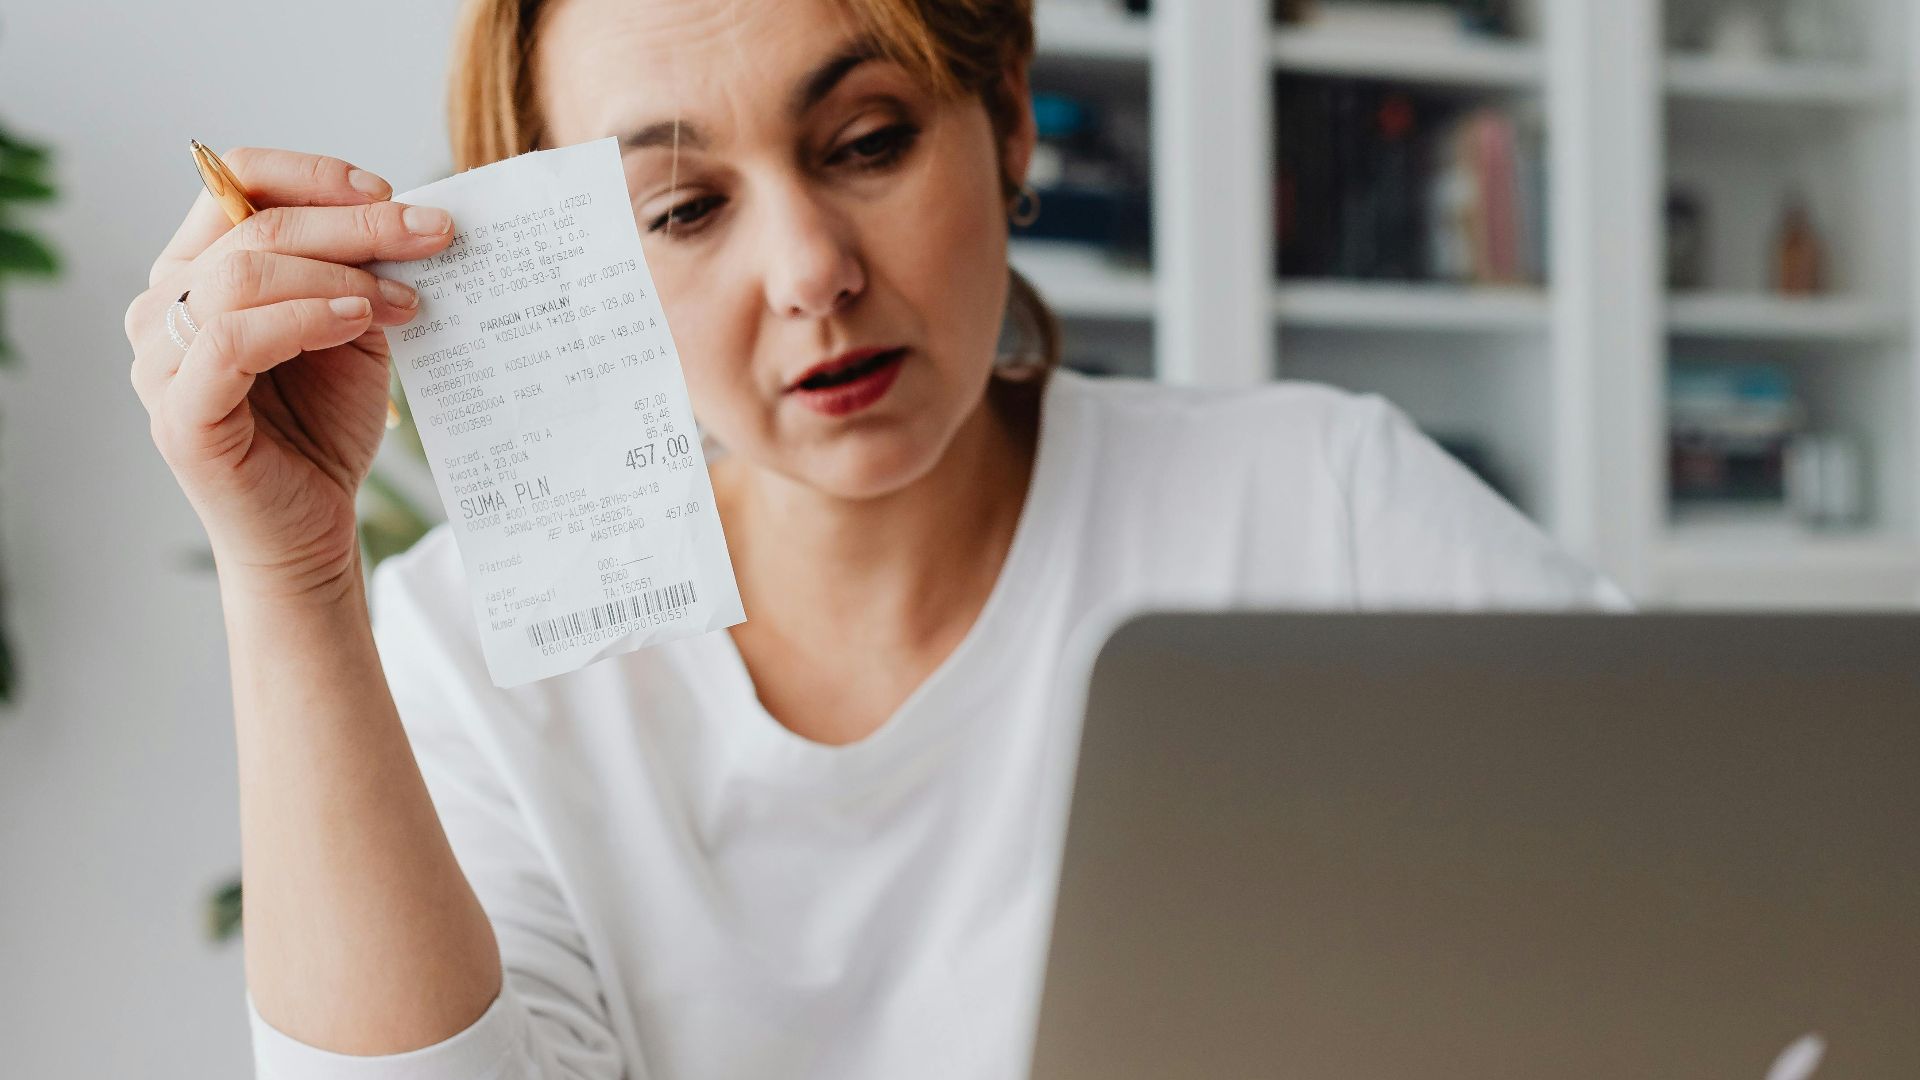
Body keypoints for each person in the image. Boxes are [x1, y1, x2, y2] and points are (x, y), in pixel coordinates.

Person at [122, 0, 1624, 1076]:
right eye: (686, 208)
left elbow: (1717, 906)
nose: (811, 271)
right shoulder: (471, 654)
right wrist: (291, 578)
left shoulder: (1320, 505)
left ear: (1012, 116)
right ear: (571, 259)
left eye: (868, 139)